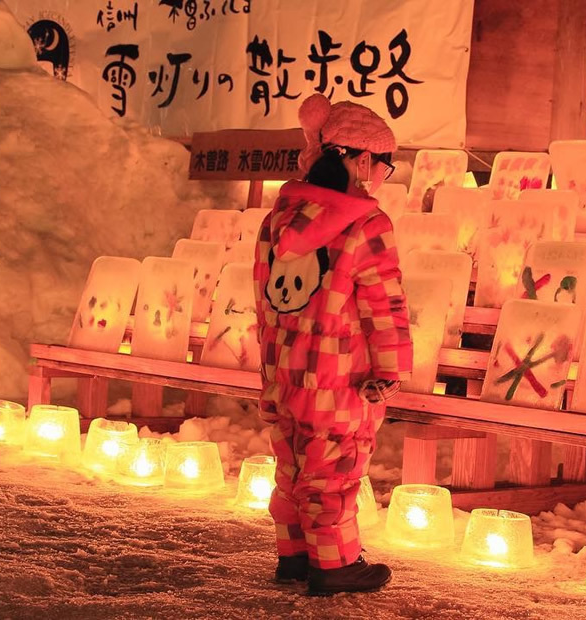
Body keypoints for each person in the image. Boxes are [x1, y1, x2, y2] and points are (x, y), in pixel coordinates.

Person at [252, 93, 413, 596]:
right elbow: (383, 305)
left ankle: (294, 556)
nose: (384, 176)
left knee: (292, 467)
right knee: (334, 470)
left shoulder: (279, 217)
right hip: (339, 376)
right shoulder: (367, 223)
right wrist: (389, 370)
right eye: (386, 165)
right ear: (364, 160)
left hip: (284, 371)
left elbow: (264, 298)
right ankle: (335, 564)